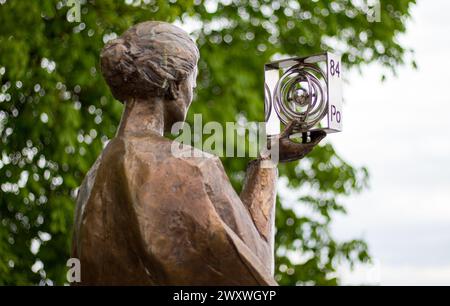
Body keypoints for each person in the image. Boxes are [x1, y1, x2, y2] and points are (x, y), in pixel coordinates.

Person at [72, 21, 325, 285]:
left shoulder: (90, 183)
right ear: (174, 84)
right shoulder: (189, 166)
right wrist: (270, 162)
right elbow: (254, 269)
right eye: (193, 80)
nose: (194, 91)